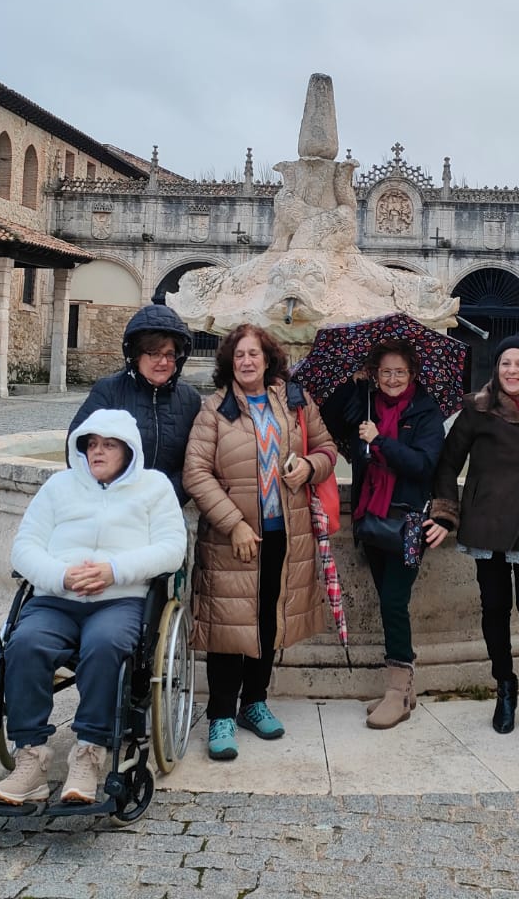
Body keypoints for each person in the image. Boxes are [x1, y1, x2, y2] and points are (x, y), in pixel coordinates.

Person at [0, 409, 187, 806]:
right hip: (57, 599)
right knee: (24, 644)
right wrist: (61, 576)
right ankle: (31, 760)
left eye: (108, 445)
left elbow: (172, 549)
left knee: (106, 645)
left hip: (119, 600)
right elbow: (24, 546)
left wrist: (114, 570)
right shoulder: (60, 486)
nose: (97, 452)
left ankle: (90, 753)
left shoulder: (155, 487)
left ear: (128, 450)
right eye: (91, 444)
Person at [184, 322, 338, 761]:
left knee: (269, 621)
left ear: (268, 358)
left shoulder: (295, 401)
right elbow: (196, 473)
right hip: (234, 539)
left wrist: (310, 466)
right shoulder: (214, 410)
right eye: (239, 356)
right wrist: (233, 523)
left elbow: (328, 448)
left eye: (254, 354)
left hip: (285, 534)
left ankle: (254, 702)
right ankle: (220, 716)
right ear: (229, 363)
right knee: (228, 628)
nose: (247, 362)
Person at [429, 329, 519, 740]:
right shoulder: (475, 408)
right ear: (496, 367)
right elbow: (447, 464)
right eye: (505, 363)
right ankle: (504, 688)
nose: (512, 370)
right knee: (494, 609)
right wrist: (445, 513)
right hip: (487, 521)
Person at [320, 338, 446, 729]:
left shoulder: (426, 413)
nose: (392, 379)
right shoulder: (367, 406)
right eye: (385, 372)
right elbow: (327, 418)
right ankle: (401, 690)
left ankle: (398, 689)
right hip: (371, 519)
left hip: (408, 523)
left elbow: (423, 465)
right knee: (387, 600)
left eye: (400, 372)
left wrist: (381, 441)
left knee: (393, 601)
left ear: (412, 374)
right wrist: (353, 385)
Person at [69, 304, 202, 505]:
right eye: (154, 353)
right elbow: (78, 448)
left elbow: (194, 461)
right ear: (137, 355)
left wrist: (165, 497)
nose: (163, 362)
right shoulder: (109, 391)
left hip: (165, 508)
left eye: (169, 354)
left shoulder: (190, 399)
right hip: (112, 505)